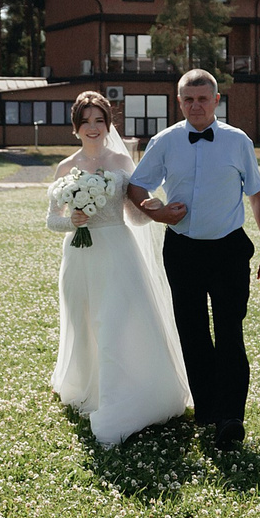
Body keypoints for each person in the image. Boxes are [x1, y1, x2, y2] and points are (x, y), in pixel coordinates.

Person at [125, 69, 260, 449]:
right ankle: (208, 409)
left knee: (229, 333)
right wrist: (155, 212)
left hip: (228, 249)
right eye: (188, 99)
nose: (196, 105)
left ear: (216, 101)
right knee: (192, 332)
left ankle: (230, 418)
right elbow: (135, 185)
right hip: (182, 250)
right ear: (179, 102)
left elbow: (257, 195)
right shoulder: (164, 142)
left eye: (203, 98)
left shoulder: (238, 141)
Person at [48, 92, 193, 445]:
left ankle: (120, 400)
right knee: (84, 322)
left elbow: (133, 215)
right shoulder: (66, 168)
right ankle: (89, 387)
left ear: (108, 125)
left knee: (113, 323)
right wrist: (74, 221)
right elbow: (53, 219)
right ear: (76, 127)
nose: (93, 128)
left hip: (117, 252)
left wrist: (151, 209)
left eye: (99, 120)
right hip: (80, 257)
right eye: (86, 121)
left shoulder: (121, 163)